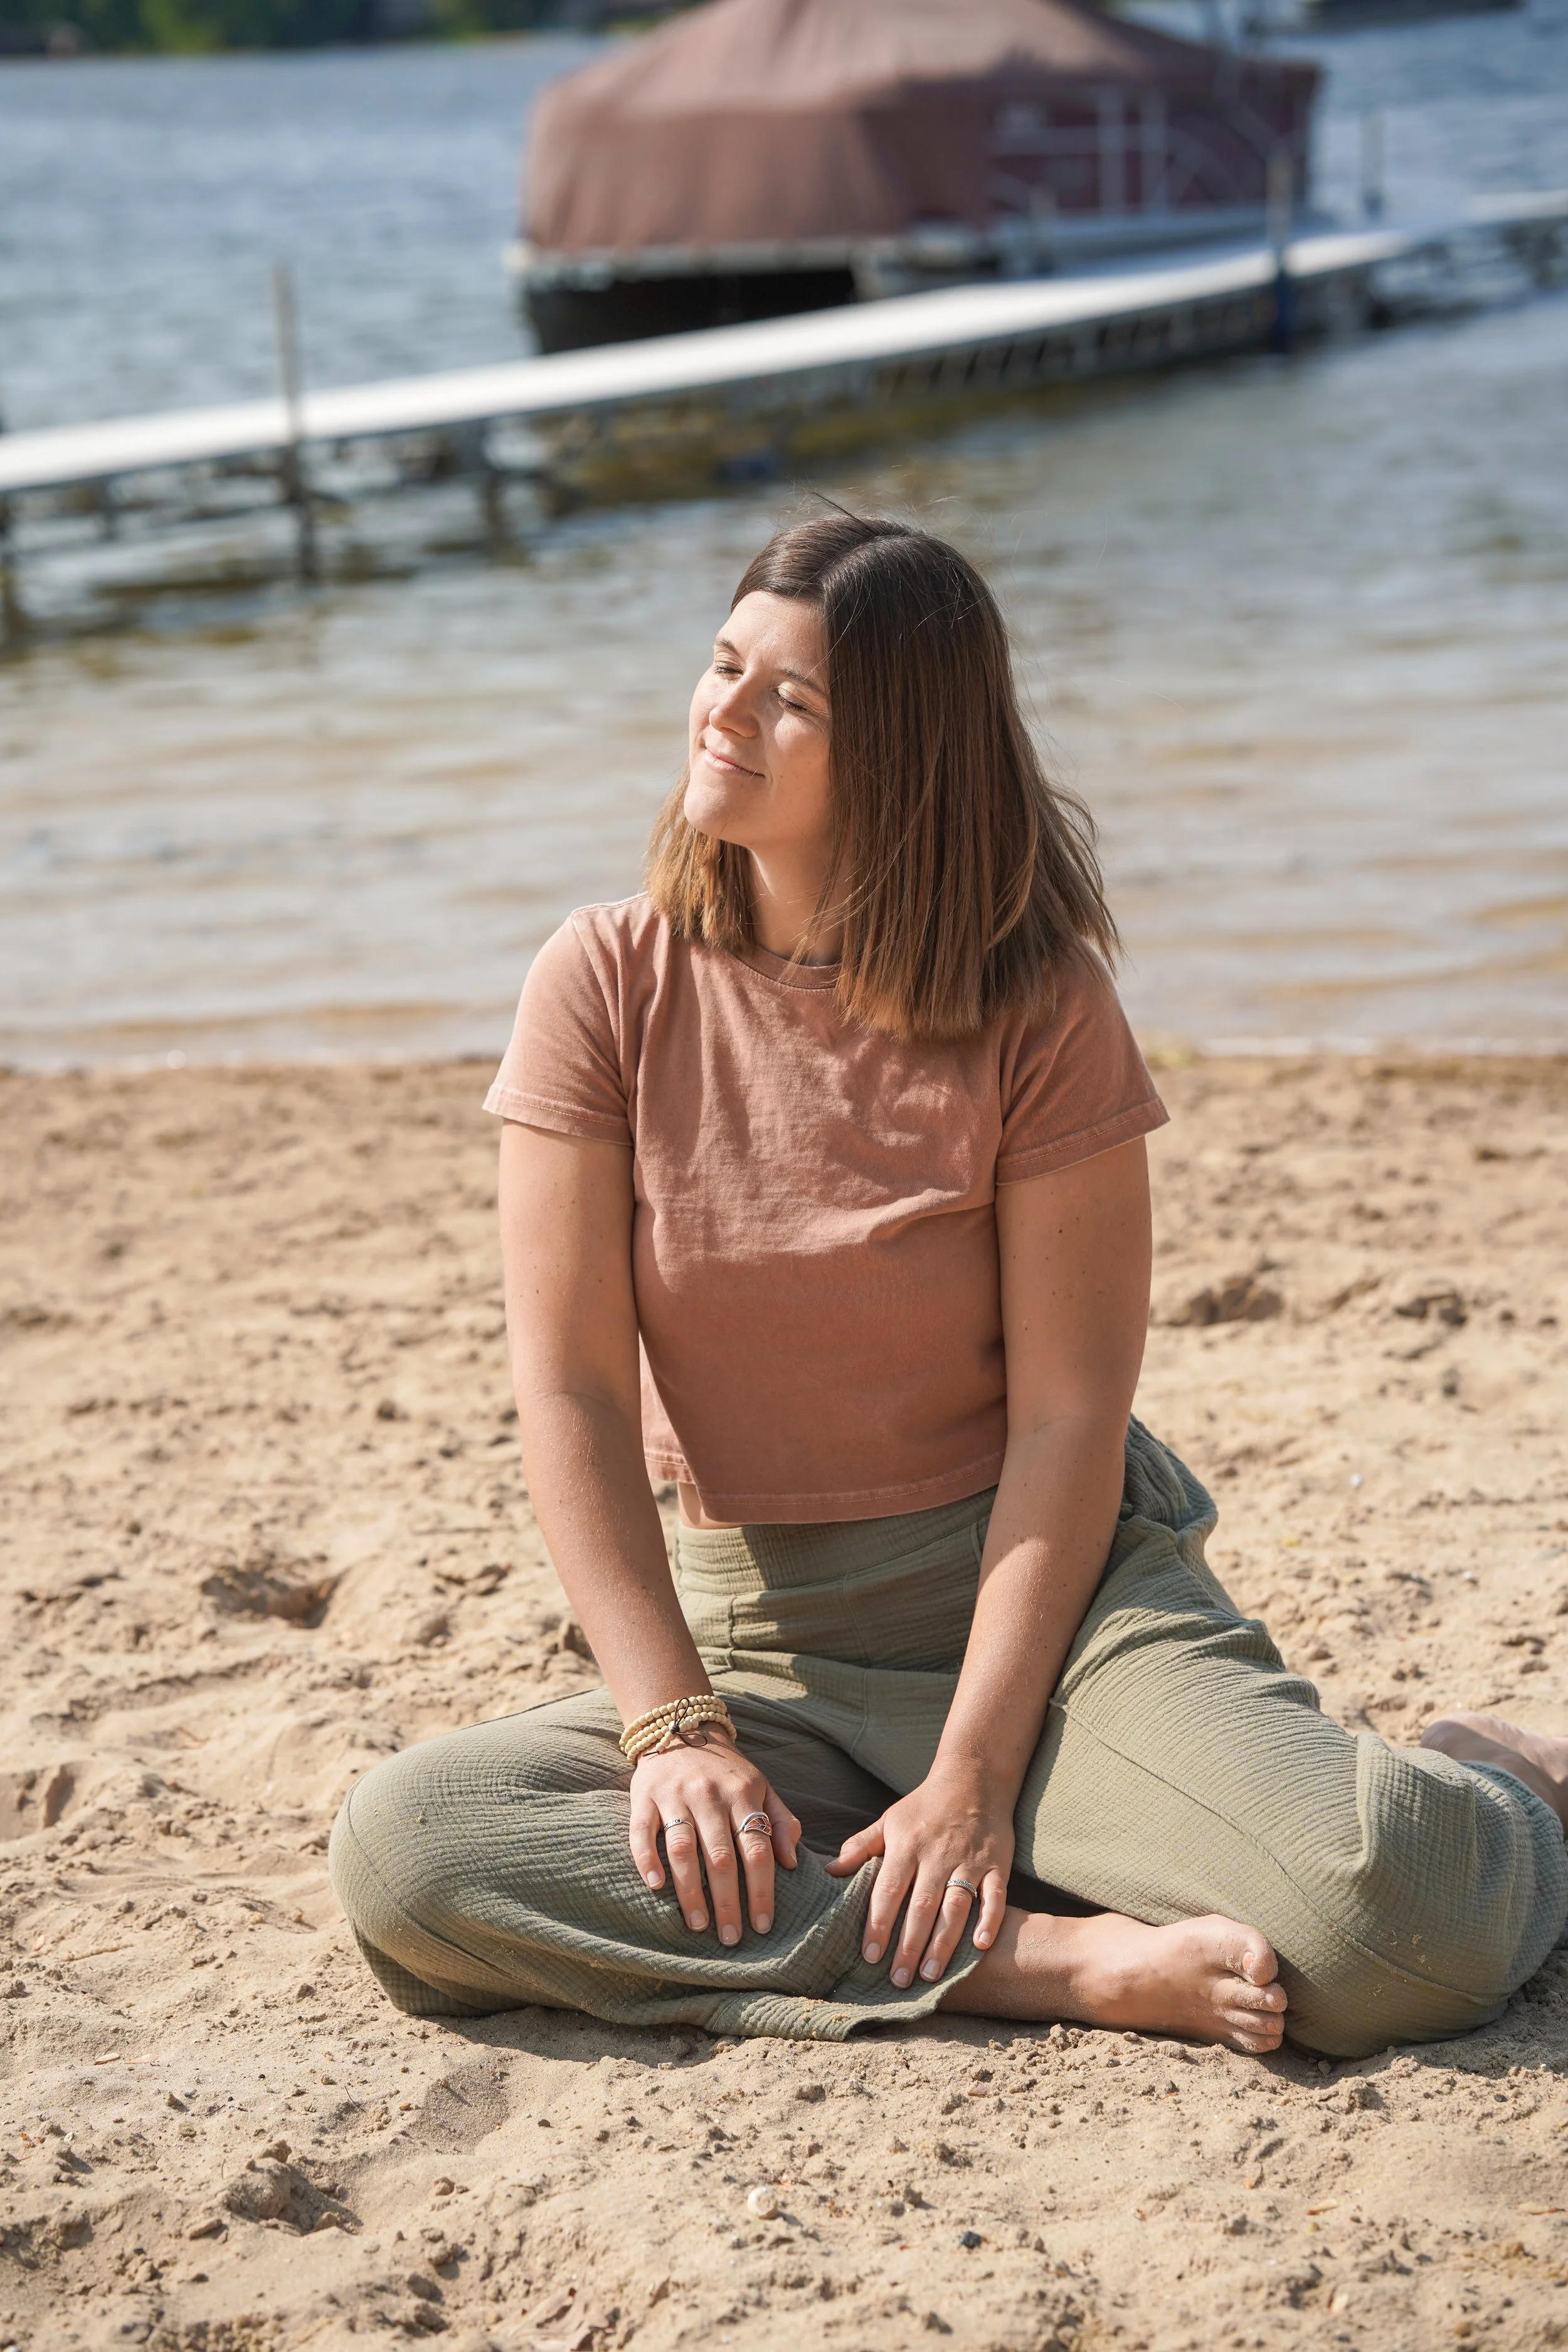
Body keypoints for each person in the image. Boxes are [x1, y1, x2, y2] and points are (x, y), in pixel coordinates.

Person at [330, 514, 1568, 2057]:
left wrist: (974, 1779)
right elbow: (570, 1393)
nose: (722, 712)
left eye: (791, 700)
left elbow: (1067, 1421)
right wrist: (673, 1727)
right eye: (723, 665)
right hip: (758, 1661)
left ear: (905, 756)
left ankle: (1500, 1779)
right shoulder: (603, 982)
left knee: (1400, 1925)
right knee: (413, 1850)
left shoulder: (1038, 1007)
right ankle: (1042, 1963)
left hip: (1042, 1625)